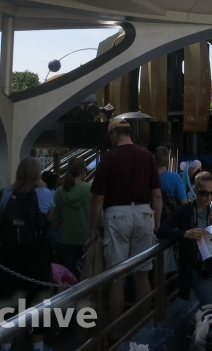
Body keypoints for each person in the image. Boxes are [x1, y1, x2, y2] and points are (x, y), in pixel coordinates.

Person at [90, 117, 162, 326]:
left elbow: (98, 198)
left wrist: (93, 227)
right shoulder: (147, 156)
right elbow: (156, 194)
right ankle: (145, 326)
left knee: (117, 277)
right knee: (142, 274)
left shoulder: (109, 158)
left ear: (114, 134)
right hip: (143, 213)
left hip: (116, 214)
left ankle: (115, 330)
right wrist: (156, 221)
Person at [157, 170, 212, 305]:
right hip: (201, 271)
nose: (208, 197)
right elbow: (161, 231)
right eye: (204, 193)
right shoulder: (185, 211)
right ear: (195, 190)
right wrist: (185, 234)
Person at [0, 157, 53, 351]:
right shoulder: (45, 193)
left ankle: (6, 343)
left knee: (9, 295)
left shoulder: (7, 193)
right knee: (38, 296)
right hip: (37, 252)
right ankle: (37, 343)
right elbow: (51, 220)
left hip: (10, 252)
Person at [50, 157, 91, 278]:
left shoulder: (59, 191)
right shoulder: (90, 189)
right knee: (86, 278)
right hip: (86, 239)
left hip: (65, 240)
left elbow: (55, 220)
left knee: (67, 278)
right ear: (83, 171)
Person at [156, 146, 186, 218]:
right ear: (167, 161)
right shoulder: (175, 178)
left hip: (152, 220)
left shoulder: (148, 177)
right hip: (171, 221)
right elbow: (184, 203)